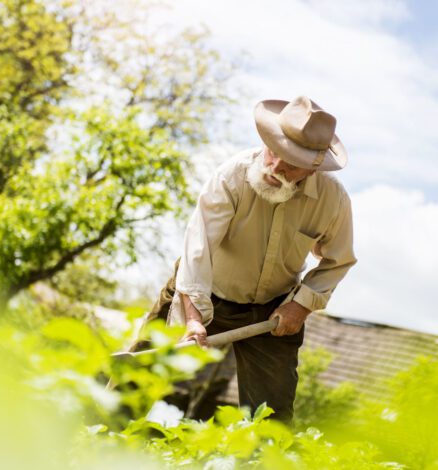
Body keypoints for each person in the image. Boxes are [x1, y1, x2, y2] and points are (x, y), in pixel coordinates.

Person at [142, 95, 357, 423]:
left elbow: (338, 261)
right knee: (137, 375)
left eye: (291, 162)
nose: (276, 166)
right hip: (200, 290)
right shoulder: (231, 176)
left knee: (270, 420)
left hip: (270, 313)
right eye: (275, 151)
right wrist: (194, 317)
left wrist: (301, 305)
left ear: (314, 166)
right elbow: (198, 248)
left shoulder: (334, 201)